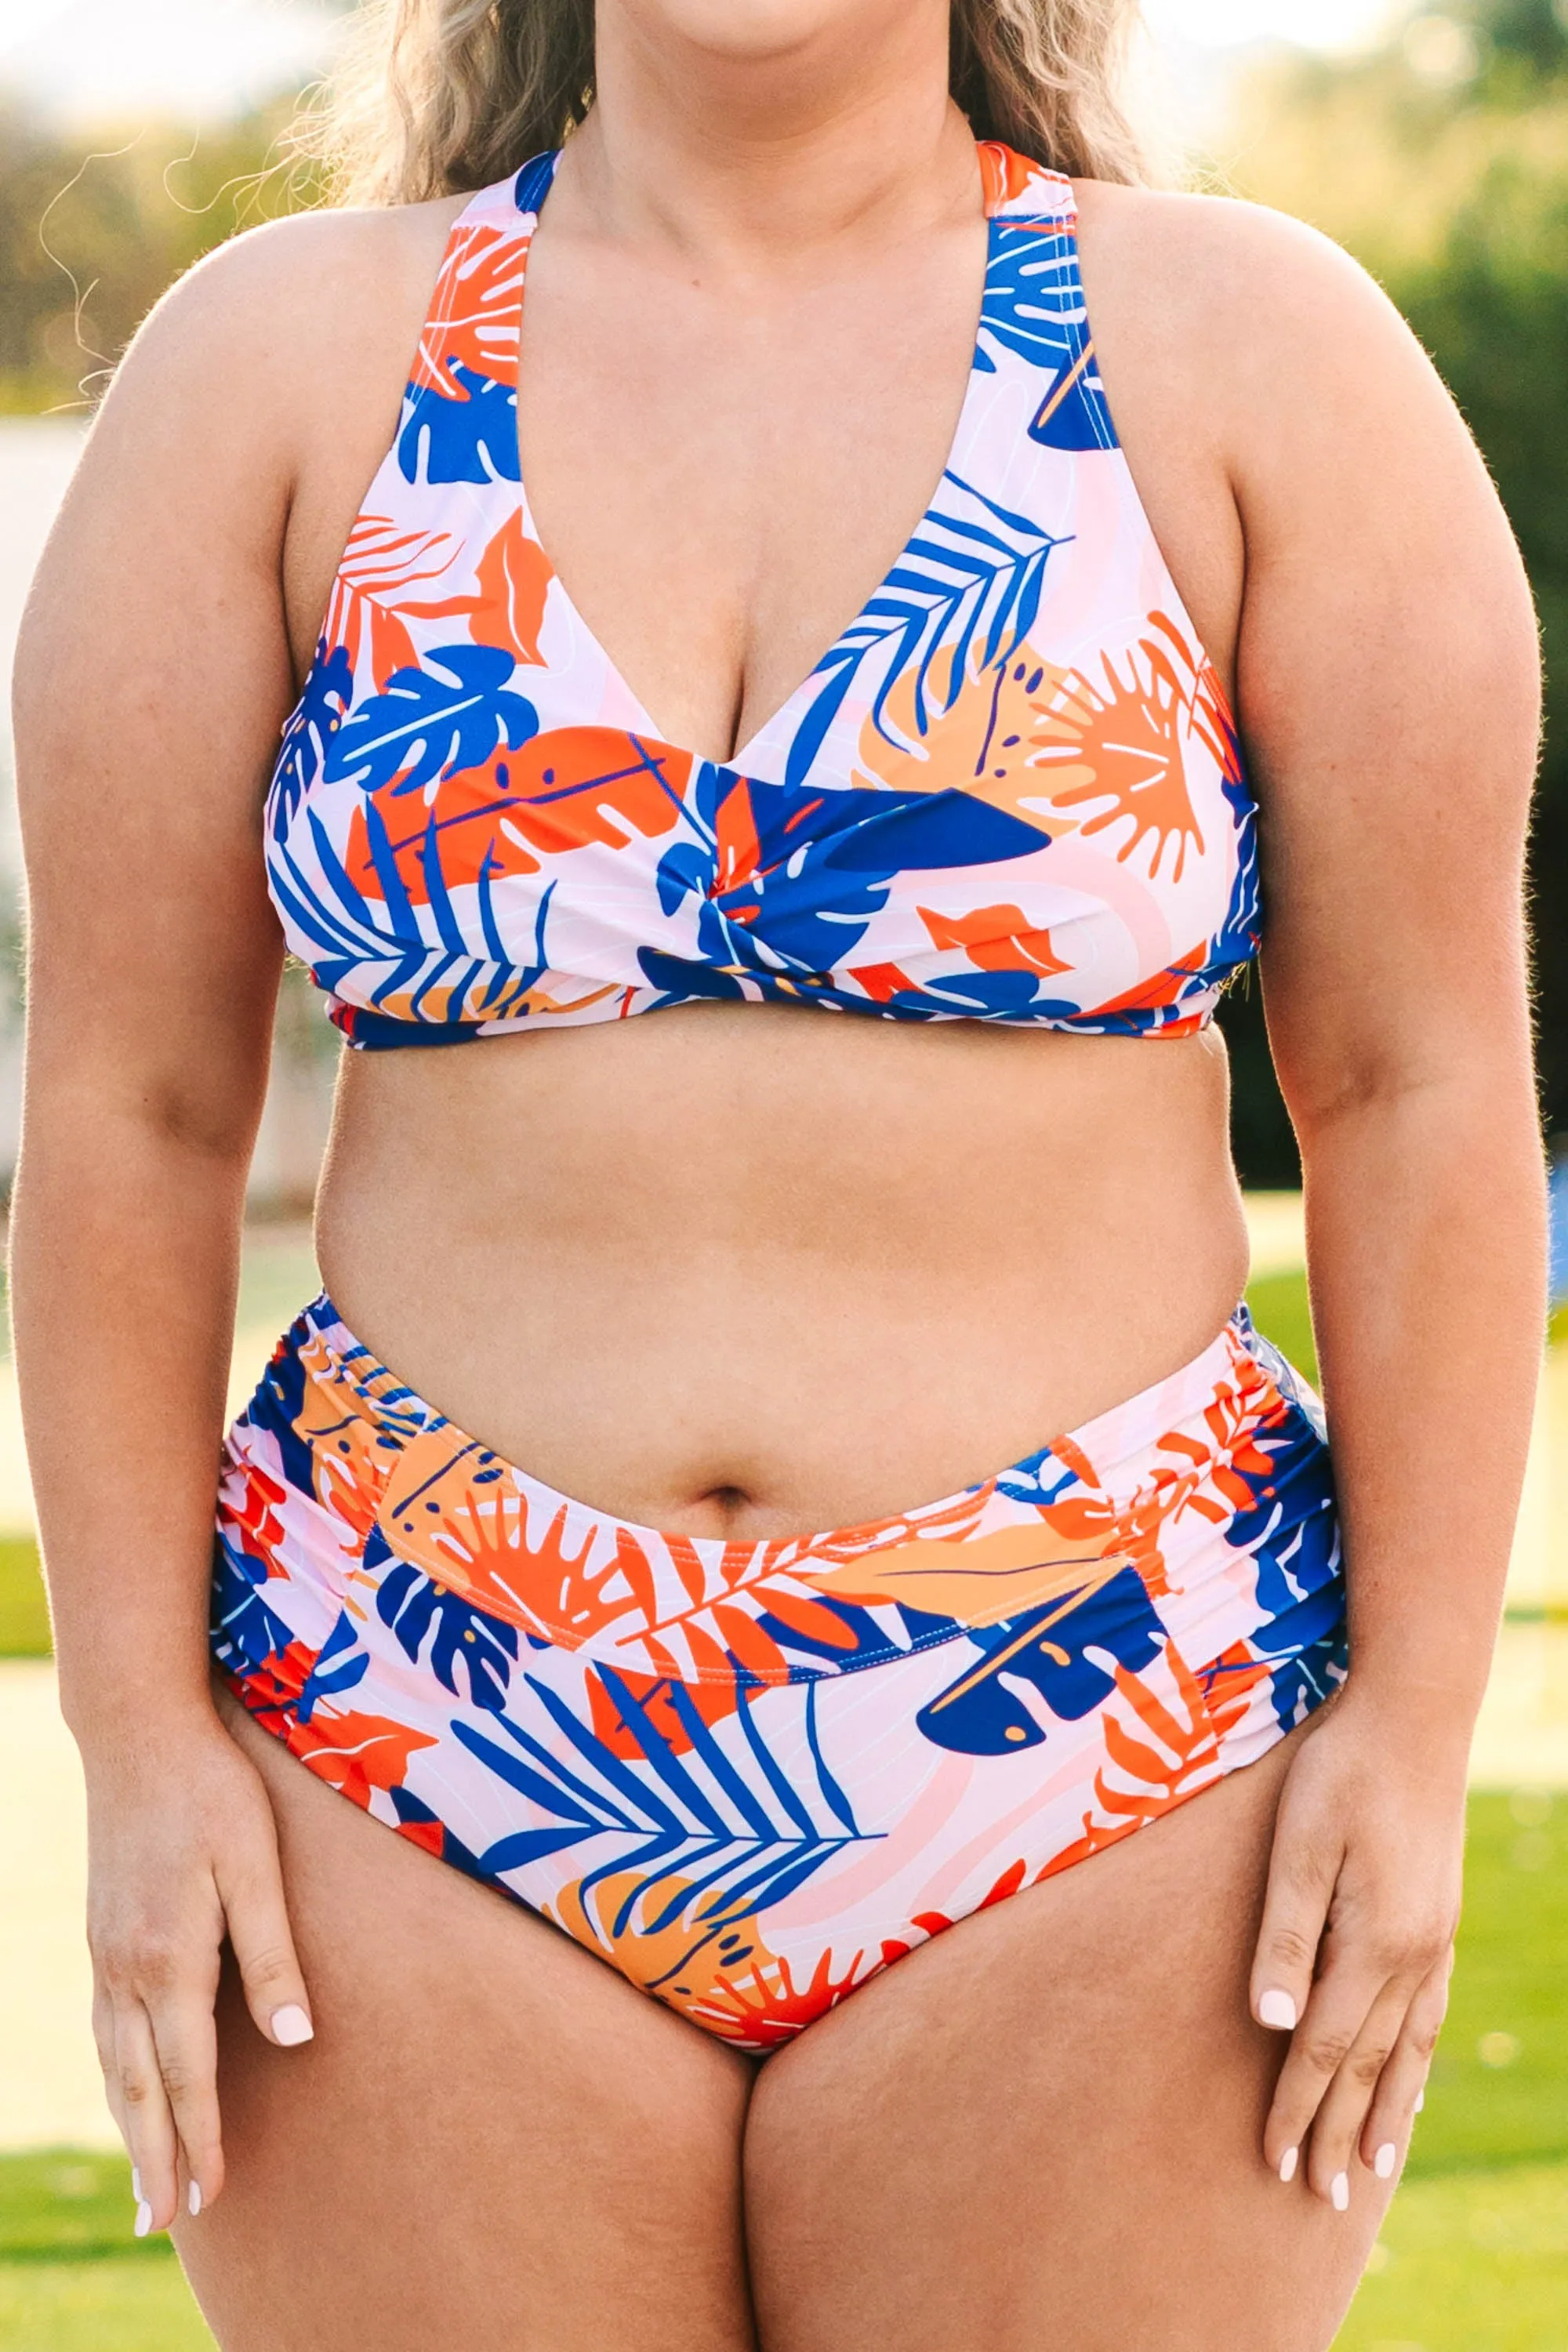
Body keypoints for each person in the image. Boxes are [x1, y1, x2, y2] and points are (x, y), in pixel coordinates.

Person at [10, 0, 1544, 2343]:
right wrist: (137, 1743)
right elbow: (127, 1116)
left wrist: (1413, 1731)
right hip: (399, 1732)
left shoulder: (1253, 352)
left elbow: (1422, 1087)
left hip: (1112, 1728)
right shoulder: (279, 367)